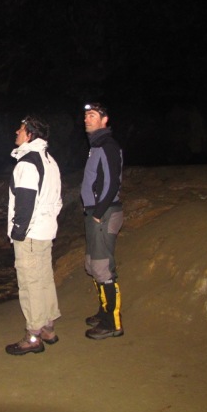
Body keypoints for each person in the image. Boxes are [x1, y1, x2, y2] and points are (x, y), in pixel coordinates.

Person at [5, 114, 63, 355]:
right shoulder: (50, 160)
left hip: (30, 234)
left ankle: (33, 336)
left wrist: (18, 233)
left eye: (20, 129)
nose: (16, 133)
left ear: (29, 134)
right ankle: (48, 327)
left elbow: (25, 203)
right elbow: (57, 198)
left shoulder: (27, 163)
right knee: (44, 279)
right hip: (45, 231)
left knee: (30, 284)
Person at [80, 102, 125, 340]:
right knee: (92, 264)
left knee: (103, 267)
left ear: (104, 120)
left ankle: (113, 323)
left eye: (93, 115)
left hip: (104, 213)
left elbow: (112, 183)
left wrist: (98, 211)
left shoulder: (107, 145)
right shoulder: (96, 145)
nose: (87, 119)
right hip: (95, 213)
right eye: (86, 115)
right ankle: (103, 311)